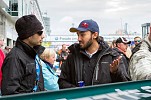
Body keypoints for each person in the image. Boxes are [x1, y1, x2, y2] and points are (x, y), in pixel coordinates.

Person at [58, 19, 130, 89]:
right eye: (78, 35)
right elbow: (62, 82)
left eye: (82, 35)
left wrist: (115, 73)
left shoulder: (112, 56)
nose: (79, 39)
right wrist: (79, 92)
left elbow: (125, 85)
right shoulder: (73, 56)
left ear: (95, 35)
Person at [1, 14, 45, 95]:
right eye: (40, 32)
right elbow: (10, 93)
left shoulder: (33, 54)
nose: (43, 36)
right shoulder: (14, 58)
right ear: (28, 34)